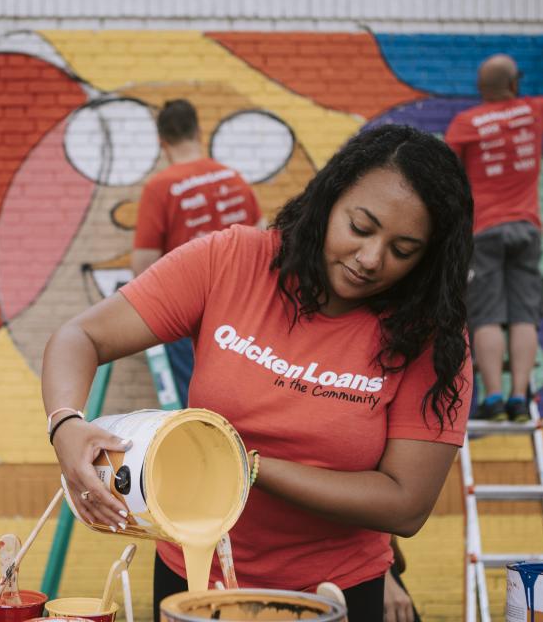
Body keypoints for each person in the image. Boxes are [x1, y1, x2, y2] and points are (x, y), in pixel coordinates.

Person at [42, 125, 474, 622]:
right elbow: (80, 338)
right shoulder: (231, 261)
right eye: (360, 227)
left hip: (335, 592)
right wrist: (65, 424)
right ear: (329, 200)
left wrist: (245, 466)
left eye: (403, 250)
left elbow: (406, 504)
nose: (371, 259)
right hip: (194, 578)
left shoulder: (430, 337)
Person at [445, 36, 543, 421]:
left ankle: (494, 399)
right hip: (527, 229)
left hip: (483, 230)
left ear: (481, 88)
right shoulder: (532, 111)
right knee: (523, 315)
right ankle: (521, 397)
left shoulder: (466, 123)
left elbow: (444, 172)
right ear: (513, 84)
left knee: (485, 315)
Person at [131, 98, 262, 408]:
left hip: (190, 312)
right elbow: (262, 235)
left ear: (162, 142)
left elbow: (144, 263)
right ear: (198, 132)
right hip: (242, 309)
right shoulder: (233, 177)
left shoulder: (161, 186)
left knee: (197, 405)